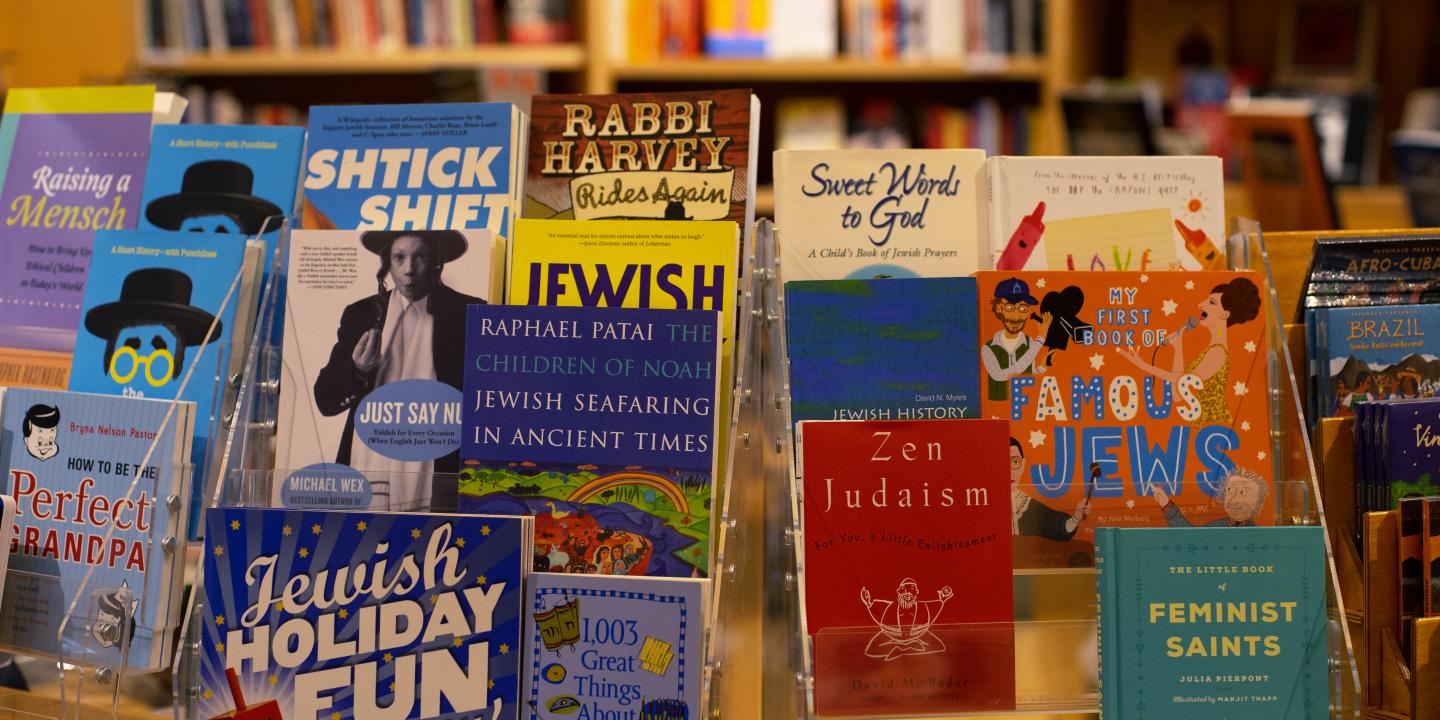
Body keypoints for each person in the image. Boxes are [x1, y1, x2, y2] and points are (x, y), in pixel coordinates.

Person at [313, 230, 483, 508]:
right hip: (367, 462)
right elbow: (325, 399)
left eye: (421, 257)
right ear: (387, 263)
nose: (409, 270)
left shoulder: (468, 311)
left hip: (435, 464)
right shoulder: (361, 313)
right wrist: (357, 369)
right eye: (399, 258)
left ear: (437, 261)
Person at [1115, 277, 1262, 425]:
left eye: (1211, 302)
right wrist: (1178, 348)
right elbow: (1180, 389)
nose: (1200, 305)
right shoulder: (1213, 349)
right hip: (1200, 425)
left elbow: (1181, 381)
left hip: (1213, 426)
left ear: (1225, 314)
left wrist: (1142, 365)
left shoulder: (1217, 353)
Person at [981, 278, 1052, 401]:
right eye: (1009, 307)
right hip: (999, 408)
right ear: (999, 308)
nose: (1016, 316)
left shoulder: (1030, 343)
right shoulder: (988, 348)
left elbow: (1028, 374)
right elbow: (1000, 375)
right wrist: (1040, 340)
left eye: (1023, 308)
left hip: (1023, 408)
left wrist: (1042, 368)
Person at [1010, 437, 1090, 541]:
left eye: (1015, 462)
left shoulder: (1024, 504)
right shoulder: (983, 500)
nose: (1009, 471)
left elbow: (1055, 526)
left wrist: (1076, 517)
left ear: (1023, 465)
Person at [1153, 467, 1268, 527]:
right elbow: (1190, 536)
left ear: (1256, 501)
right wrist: (1167, 505)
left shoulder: (1258, 534)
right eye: (1230, 490)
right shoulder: (1219, 526)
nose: (1232, 500)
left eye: (1243, 493)